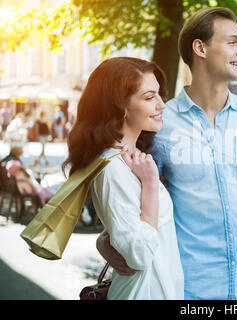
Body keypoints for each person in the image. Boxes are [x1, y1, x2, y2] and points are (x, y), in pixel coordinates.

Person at [97, 7, 237, 300]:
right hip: (191, 291)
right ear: (200, 47)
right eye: (232, 42)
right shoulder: (159, 124)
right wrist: (106, 240)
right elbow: (130, 197)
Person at [62, 57, 183, 300]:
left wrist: (109, 238)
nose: (162, 105)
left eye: (159, 95)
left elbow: (132, 226)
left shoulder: (132, 157)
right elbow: (139, 254)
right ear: (120, 107)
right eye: (149, 97)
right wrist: (150, 185)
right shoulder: (112, 167)